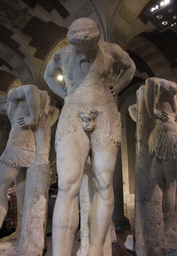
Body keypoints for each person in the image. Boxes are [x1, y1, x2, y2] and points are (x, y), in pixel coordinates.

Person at [44, 17, 135, 256]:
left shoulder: (111, 50)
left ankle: (95, 250)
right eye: (78, 49)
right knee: (67, 185)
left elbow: (130, 67)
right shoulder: (62, 55)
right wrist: (64, 94)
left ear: (96, 41)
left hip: (105, 111)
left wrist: (119, 86)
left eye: (88, 49)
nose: (83, 54)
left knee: (105, 182)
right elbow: (47, 76)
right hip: (73, 111)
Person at [0, 84, 57, 242]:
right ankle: (19, 231)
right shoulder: (35, 101)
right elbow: (55, 110)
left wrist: (32, 118)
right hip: (30, 148)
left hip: (17, 147)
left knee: (0, 188)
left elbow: (31, 87)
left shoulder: (12, 95)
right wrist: (47, 124)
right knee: (20, 193)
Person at [144, 77, 177, 243]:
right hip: (168, 135)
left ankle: (164, 228)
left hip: (160, 135)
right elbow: (151, 81)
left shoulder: (170, 98)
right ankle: (168, 229)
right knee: (174, 183)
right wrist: (153, 112)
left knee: (171, 182)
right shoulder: (173, 87)